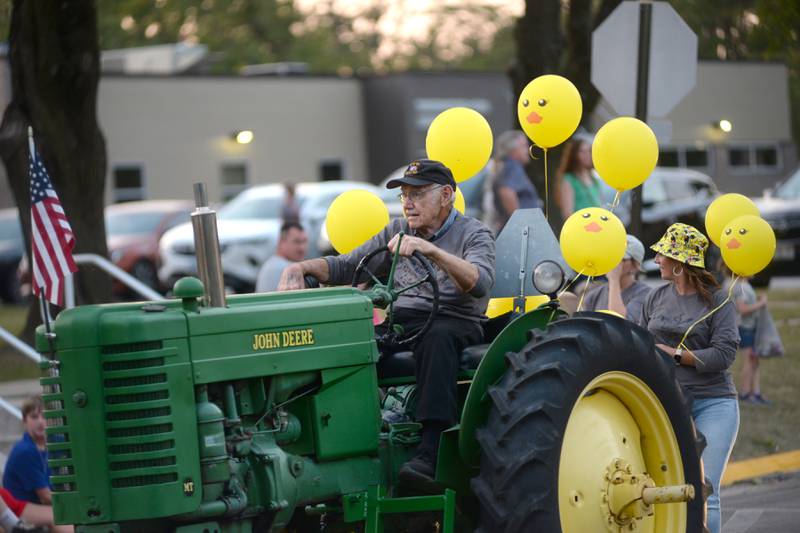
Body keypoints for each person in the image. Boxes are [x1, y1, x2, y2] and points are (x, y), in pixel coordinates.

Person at [278, 159, 495, 485]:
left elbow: (478, 282)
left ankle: (431, 450)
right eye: (404, 195)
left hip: (454, 319)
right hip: (402, 321)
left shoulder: (474, 233)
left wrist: (430, 250)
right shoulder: (397, 232)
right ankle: (347, 440)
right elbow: (347, 266)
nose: (407, 203)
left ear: (446, 195)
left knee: (437, 339)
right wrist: (300, 268)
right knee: (350, 344)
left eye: (418, 194)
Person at [636, 223, 739, 533]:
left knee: (707, 488)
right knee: (666, 488)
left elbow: (724, 355)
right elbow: (642, 341)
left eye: (663, 255)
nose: (656, 260)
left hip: (713, 403)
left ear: (679, 264)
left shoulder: (719, 300)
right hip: (668, 403)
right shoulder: (656, 297)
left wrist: (676, 354)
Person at [725, 272, 770, 405]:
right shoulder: (740, 286)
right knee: (749, 361)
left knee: (755, 361)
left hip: (752, 327)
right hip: (745, 329)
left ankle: (755, 393)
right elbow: (742, 309)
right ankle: (745, 394)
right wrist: (761, 303)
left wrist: (756, 299)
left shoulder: (745, 285)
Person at [581, 235, 651, 319]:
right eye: (610, 256)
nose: (612, 262)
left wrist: (614, 280)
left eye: (620, 259)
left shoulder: (645, 294)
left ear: (635, 266)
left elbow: (619, 322)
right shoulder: (594, 295)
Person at [485, 130, 542, 233]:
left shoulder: (505, 166)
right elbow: (506, 191)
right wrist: (521, 225)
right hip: (518, 233)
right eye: (524, 145)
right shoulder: (512, 166)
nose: (528, 149)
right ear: (513, 150)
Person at [2, 397, 52, 505]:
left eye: (44, 416)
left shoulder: (55, 442)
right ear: (24, 420)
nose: (40, 421)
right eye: (34, 417)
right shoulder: (24, 451)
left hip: (44, 508)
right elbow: (46, 498)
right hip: (24, 513)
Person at [556, 138, 602, 220]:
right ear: (574, 155)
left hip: (597, 225)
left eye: (588, 151)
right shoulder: (569, 179)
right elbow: (567, 214)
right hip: (580, 227)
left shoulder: (594, 179)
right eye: (582, 151)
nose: (587, 155)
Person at [255, 222, 308, 292]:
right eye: (296, 242)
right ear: (281, 242)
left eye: (304, 241)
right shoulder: (285, 269)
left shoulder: (271, 263)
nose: (302, 248)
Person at [1, 488, 73, 532]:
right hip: (14, 509)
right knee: (58, 514)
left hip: (12, 507)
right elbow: (46, 497)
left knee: (59, 513)